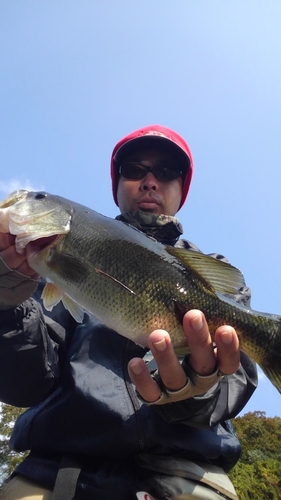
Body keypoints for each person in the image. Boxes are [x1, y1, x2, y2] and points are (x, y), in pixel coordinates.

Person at [0, 125, 257, 500]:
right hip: (57, 474)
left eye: (167, 171)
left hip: (190, 476)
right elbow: (24, 383)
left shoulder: (213, 274)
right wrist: (6, 308)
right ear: (117, 184)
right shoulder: (42, 270)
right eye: (135, 169)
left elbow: (235, 376)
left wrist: (198, 389)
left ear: (181, 189)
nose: (150, 181)